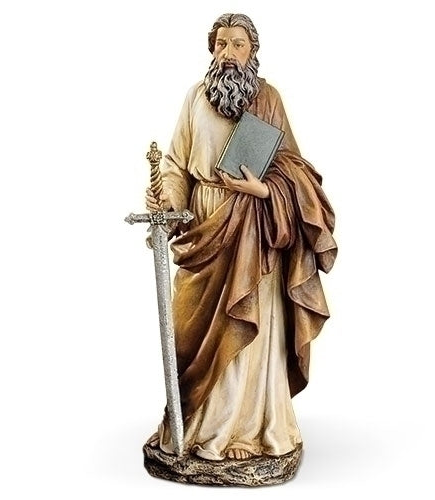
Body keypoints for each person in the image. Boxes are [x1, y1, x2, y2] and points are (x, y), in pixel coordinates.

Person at [145, 13, 337, 462]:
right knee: (191, 331)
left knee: (249, 325)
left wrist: (264, 191)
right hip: (205, 225)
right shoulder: (196, 97)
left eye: (237, 44)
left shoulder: (268, 98)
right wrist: (167, 203)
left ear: (253, 51)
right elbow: (176, 164)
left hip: (256, 229)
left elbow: (295, 170)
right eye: (220, 44)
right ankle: (198, 424)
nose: (227, 53)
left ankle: (248, 431)